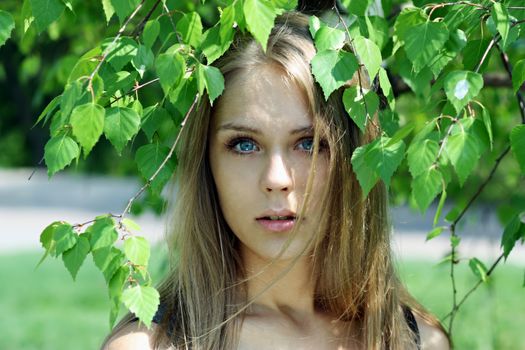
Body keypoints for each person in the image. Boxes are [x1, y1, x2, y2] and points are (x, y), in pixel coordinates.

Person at [104, 11, 450, 350]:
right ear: (207, 163)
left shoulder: (414, 340)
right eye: (244, 144)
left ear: (351, 161)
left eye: (309, 144)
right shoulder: (149, 345)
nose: (277, 179)